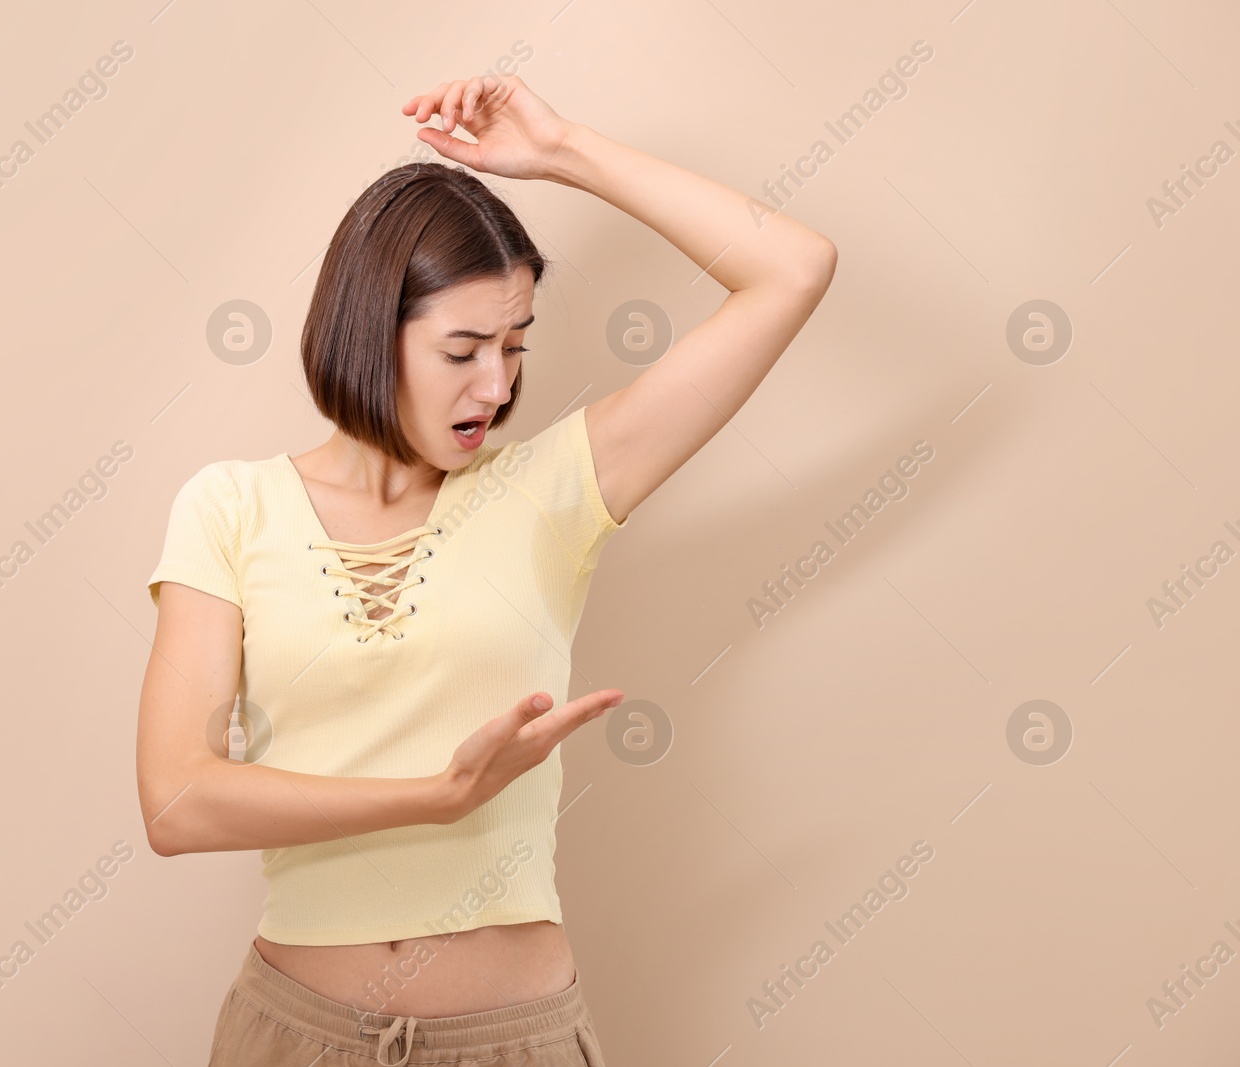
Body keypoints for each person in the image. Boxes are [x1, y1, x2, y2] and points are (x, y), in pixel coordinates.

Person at [137, 73, 836, 1067]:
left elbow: (793, 268)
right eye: (462, 348)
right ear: (366, 331)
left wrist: (563, 151)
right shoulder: (229, 507)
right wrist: (437, 793)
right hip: (295, 1035)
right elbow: (175, 800)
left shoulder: (554, 488)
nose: (498, 384)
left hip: (513, 1040)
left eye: (513, 345)